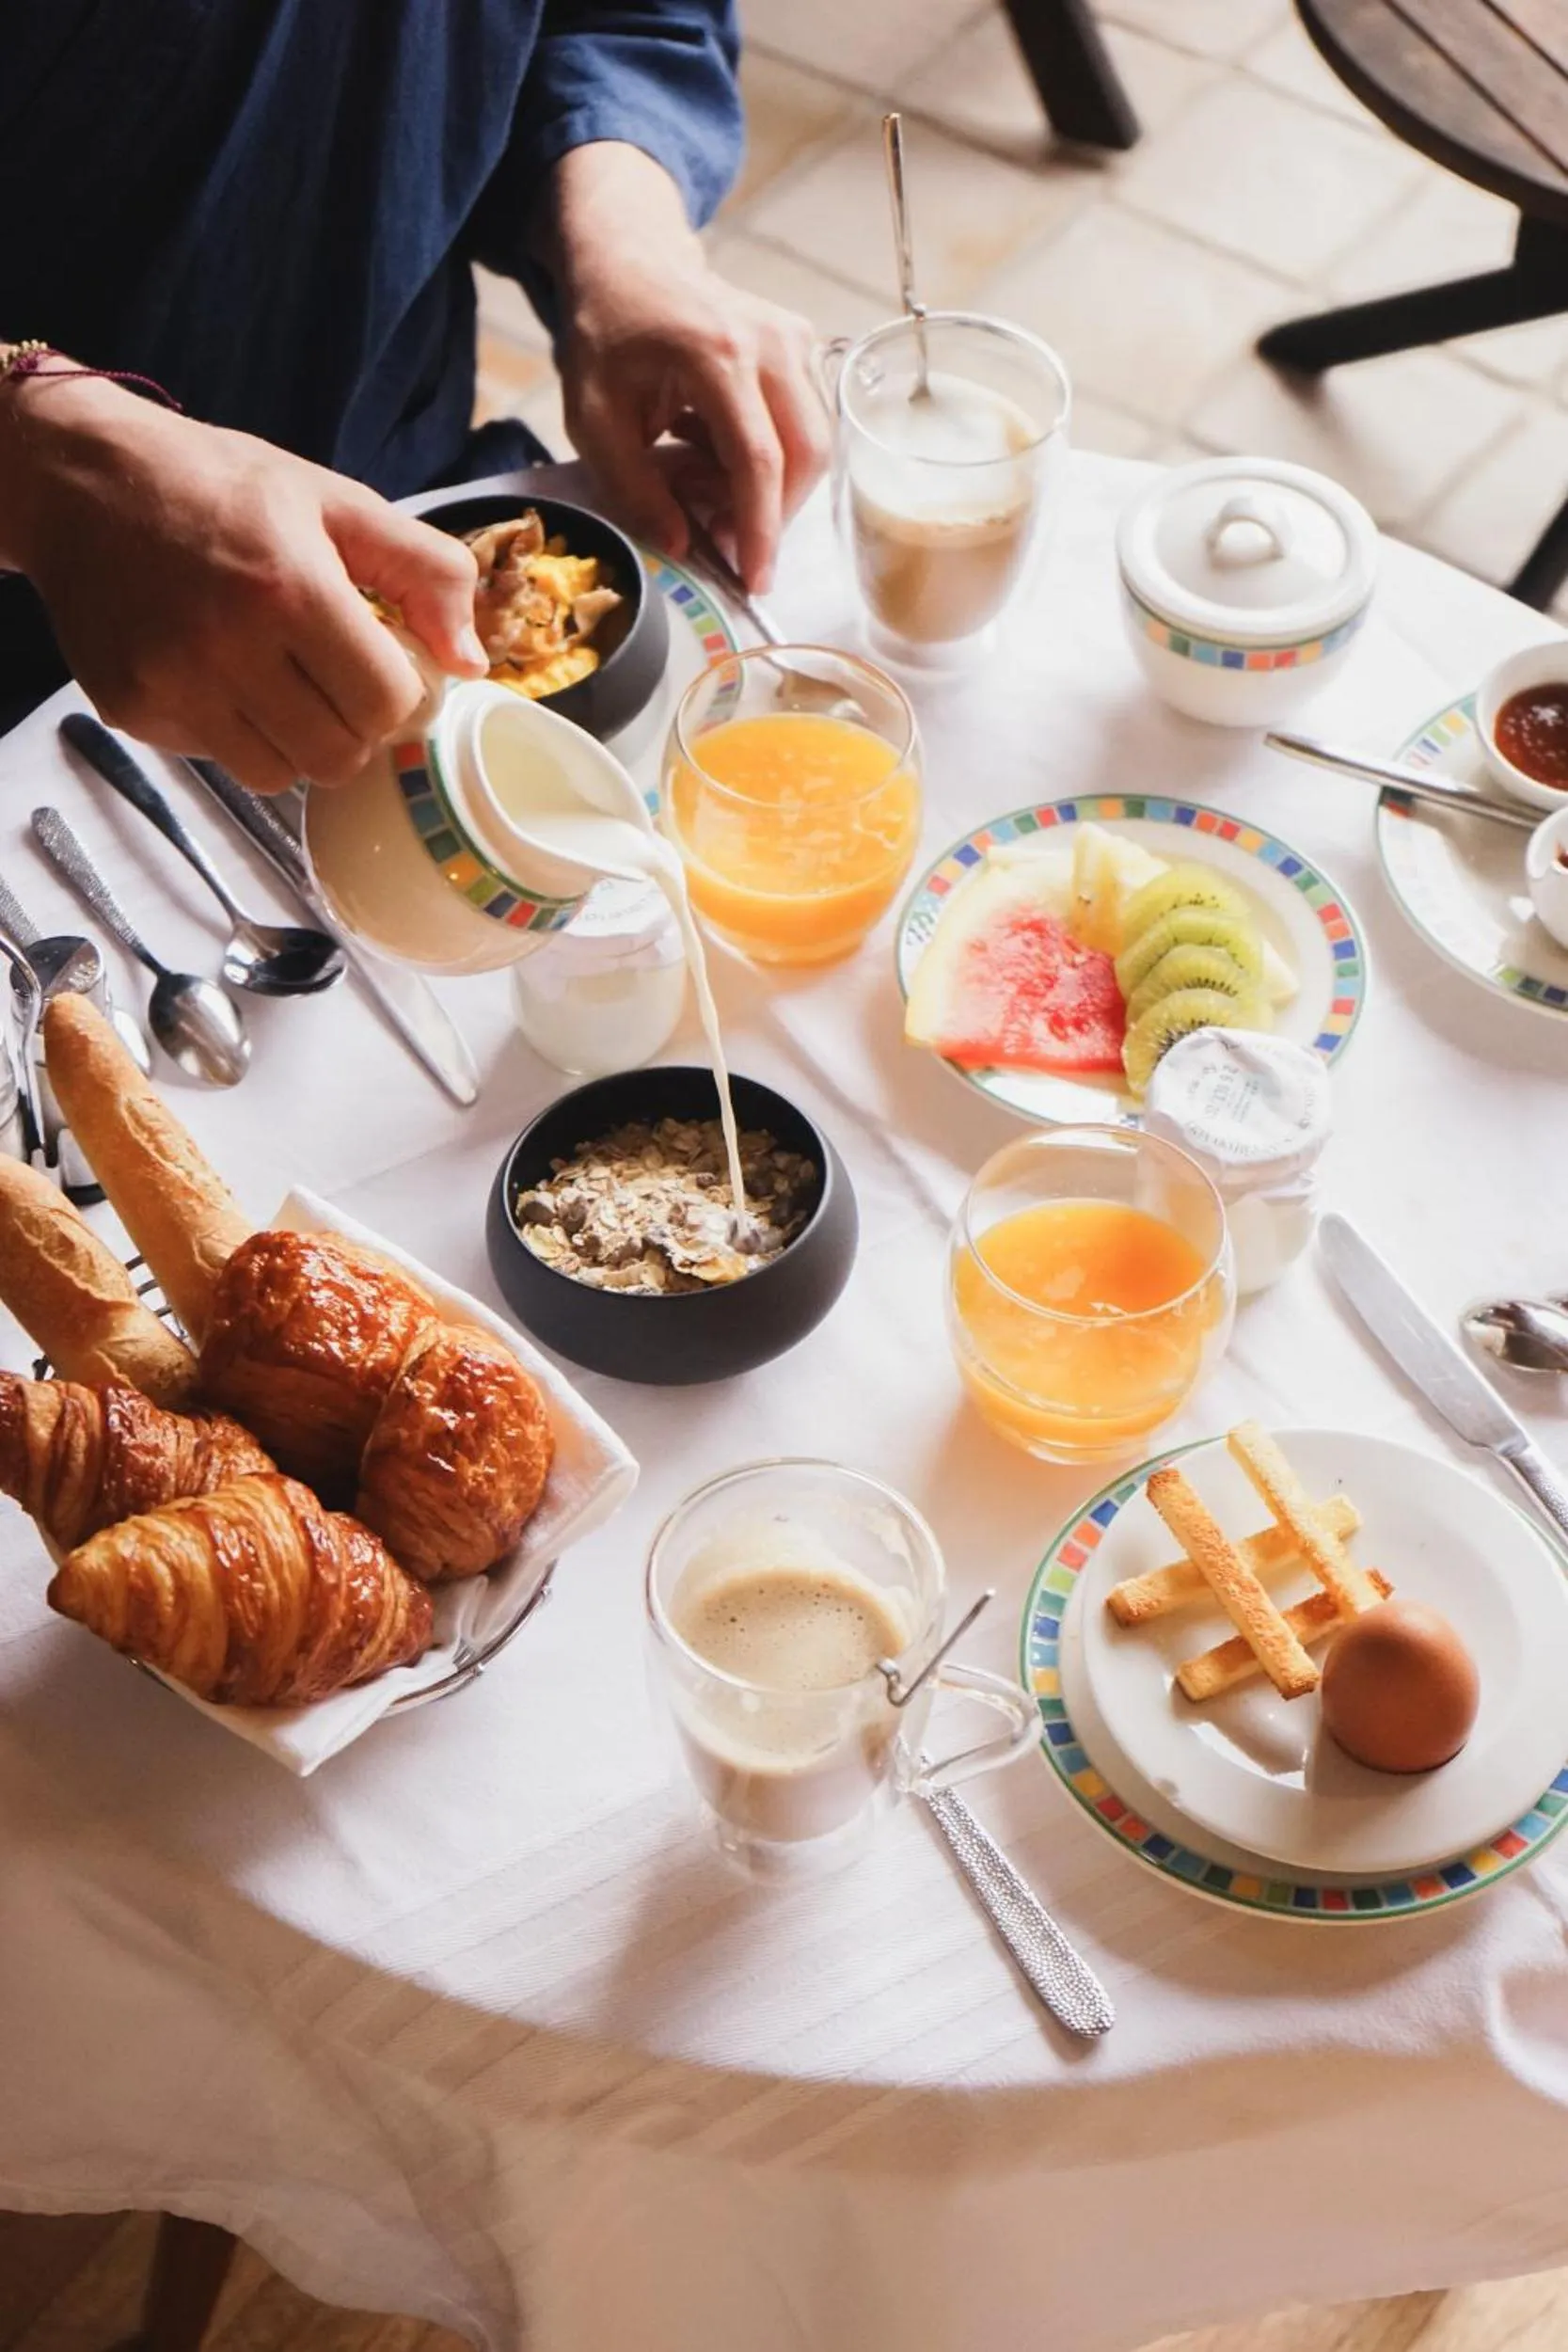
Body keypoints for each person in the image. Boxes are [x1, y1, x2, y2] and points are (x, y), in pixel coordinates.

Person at [0, 2, 830, 785]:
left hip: (414, 487)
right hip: (37, 659)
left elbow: (611, 17)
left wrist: (627, 244)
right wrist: (47, 476)